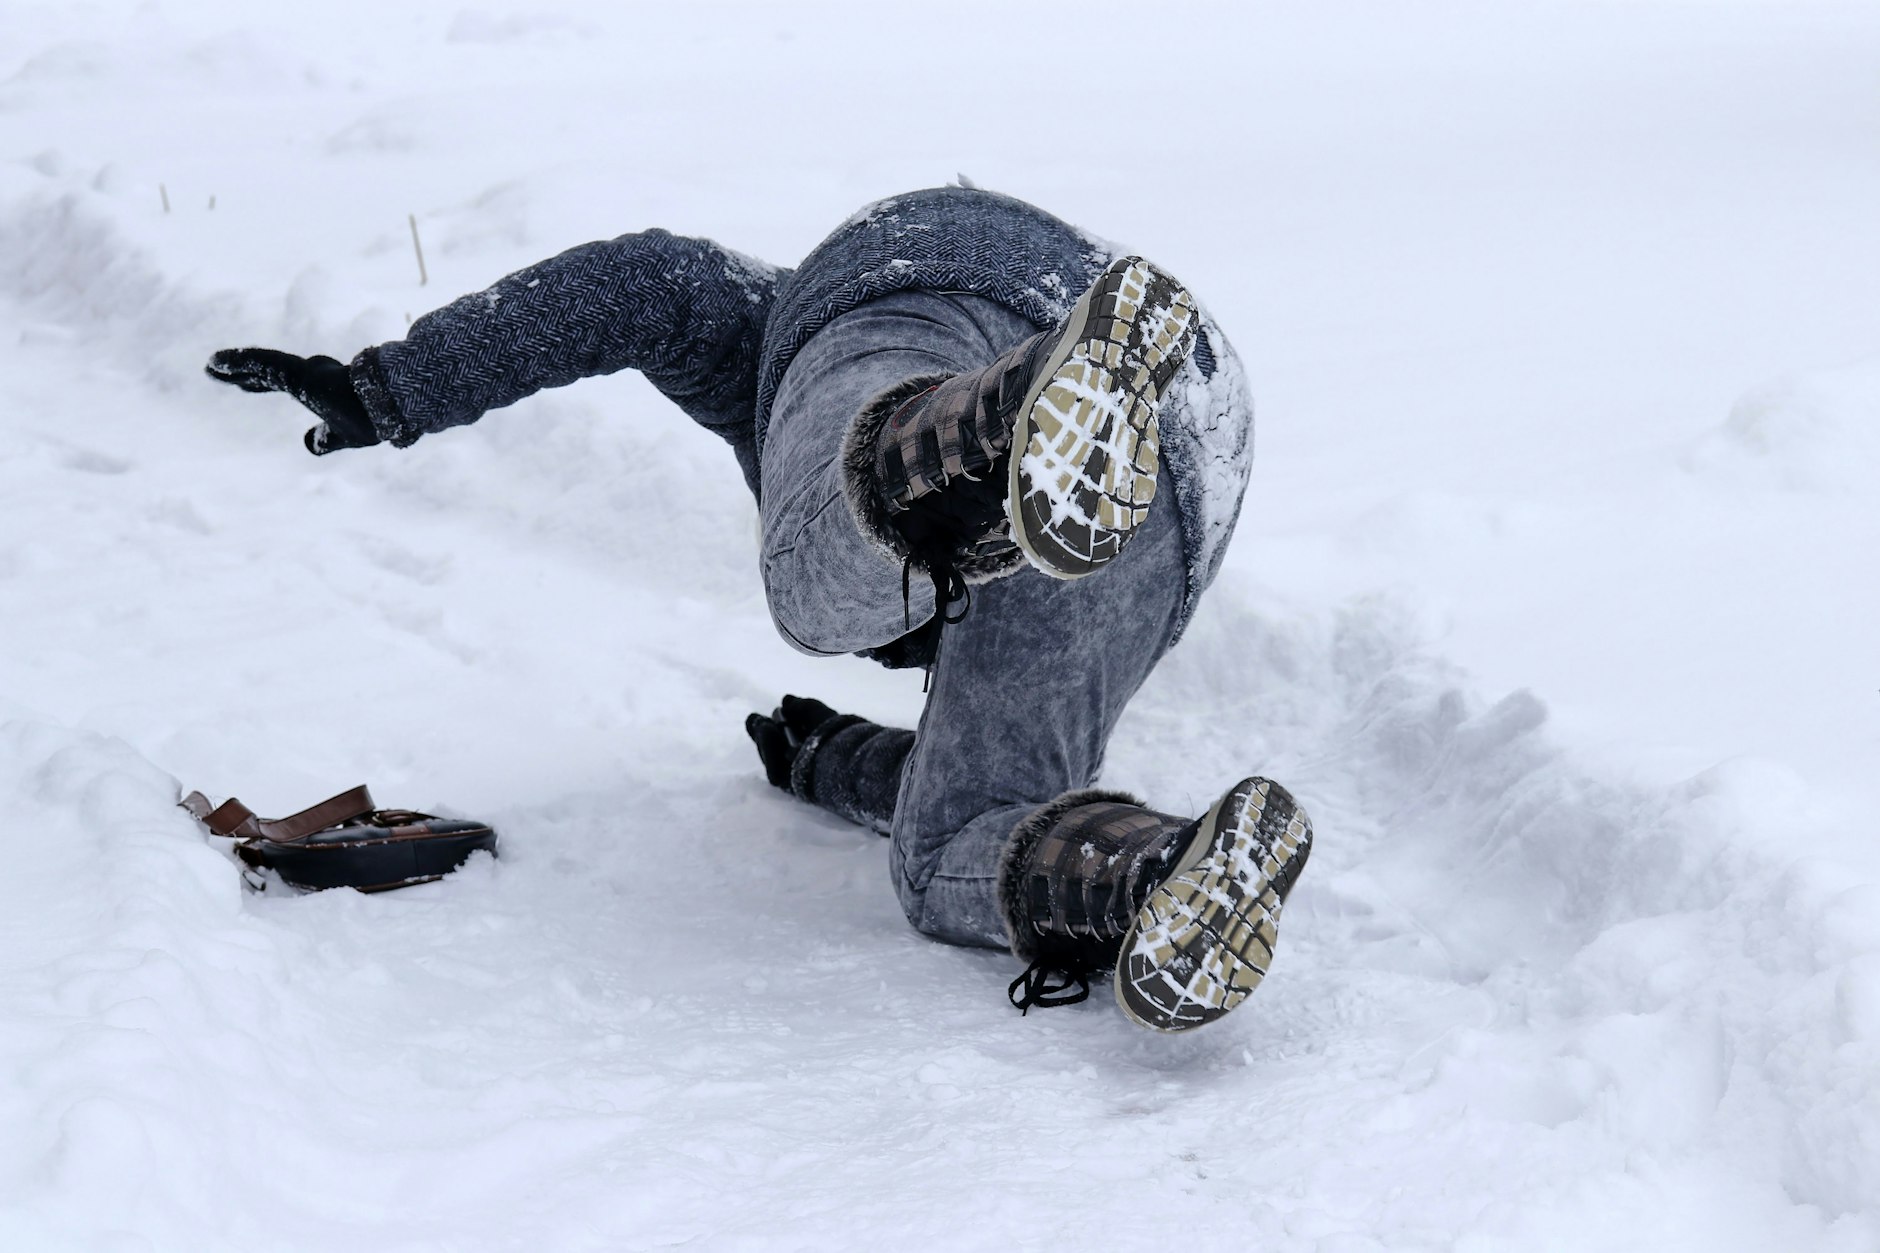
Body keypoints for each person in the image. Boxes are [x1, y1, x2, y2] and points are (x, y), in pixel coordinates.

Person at [206, 185, 1313, 1032]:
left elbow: (644, 283)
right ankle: (1160, 880)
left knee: (818, 586)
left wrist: (392, 386)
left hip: (917, 276)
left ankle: (995, 418)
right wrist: (828, 760)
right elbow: (936, 768)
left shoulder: (764, 325)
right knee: (947, 852)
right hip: (1189, 449)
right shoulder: (1060, 522)